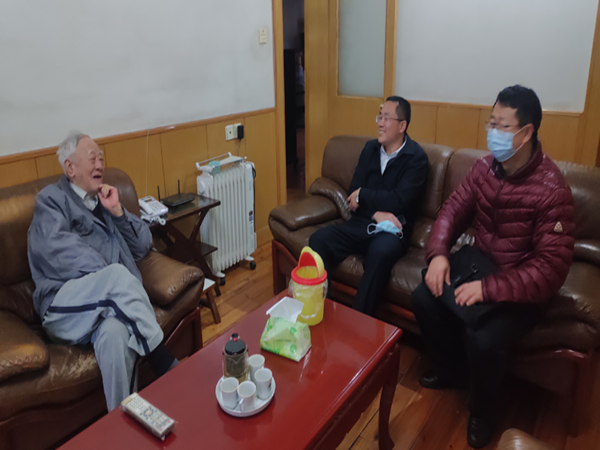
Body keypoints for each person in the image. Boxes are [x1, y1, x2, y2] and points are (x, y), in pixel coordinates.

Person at [411, 85, 575, 449]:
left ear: (526, 132)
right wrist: (438, 253)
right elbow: (452, 210)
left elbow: (550, 269)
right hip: (478, 265)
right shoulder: (485, 168)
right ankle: (453, 370)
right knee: (424, 296)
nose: (493, 132)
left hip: (521, 291)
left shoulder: (552, 189)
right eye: (491, 122)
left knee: (483, 338)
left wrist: (488, 289)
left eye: (502, 126)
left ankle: (483, 410)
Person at [27, 131, 178, 411]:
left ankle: (123, 422)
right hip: (64, 307)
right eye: (92, 159)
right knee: (117, 275)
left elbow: (144, 244)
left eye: (102, 159)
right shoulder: (51, 200)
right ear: (70, 167)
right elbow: (56, 250)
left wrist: (118, 212)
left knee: (115, 335)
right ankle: (164, 362)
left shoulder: (103, 200)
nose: (100, 165)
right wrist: (111, 278)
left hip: (106, 309)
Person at [309, 96, 429, 316]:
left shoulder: (417, 159)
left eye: (386, 118)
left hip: (392, 231)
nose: (380, 123)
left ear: (402, 125)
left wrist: (364, 195)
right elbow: (353, 191)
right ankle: (321, 309)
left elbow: (399, 200)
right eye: (379, 117)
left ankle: (359, 321)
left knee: (380, 253)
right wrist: (375, 213)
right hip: (362, 222)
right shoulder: (370, 149)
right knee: (318, 239)